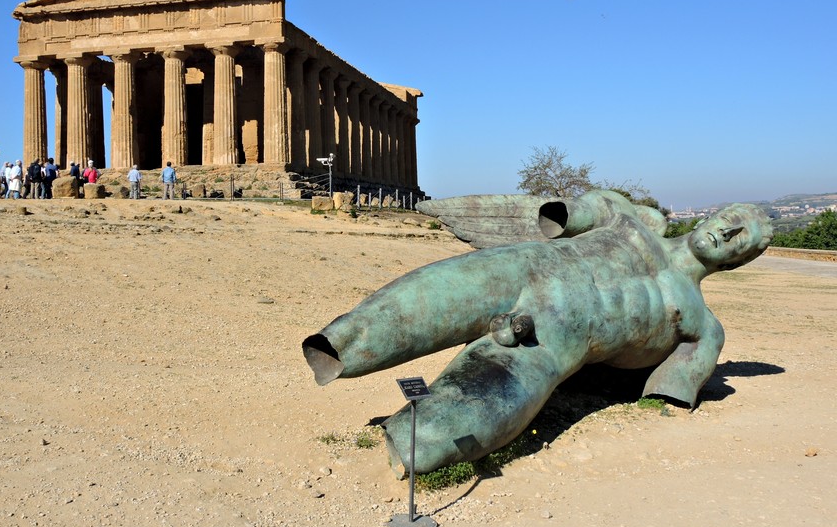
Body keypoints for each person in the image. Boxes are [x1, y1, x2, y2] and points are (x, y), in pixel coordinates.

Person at [303, 191, 773, 475]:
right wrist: (574, 210)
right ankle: (337, 350)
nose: (728, 232)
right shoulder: (636, 219)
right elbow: (566, 214)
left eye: (742, 238)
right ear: (714, 216)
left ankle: (408, 441)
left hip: (551, 343)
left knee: (431, 436)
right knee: (404, 311)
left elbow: (660, 388)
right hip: (522, 268)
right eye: (729, 220)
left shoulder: (703, 326)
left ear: (739, 260)